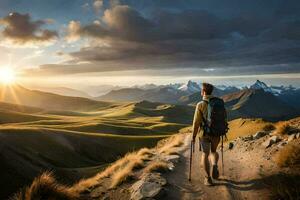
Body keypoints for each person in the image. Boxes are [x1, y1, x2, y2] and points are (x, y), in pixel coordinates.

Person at [192, 83, 221, 186]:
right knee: (213, 151)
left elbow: (196, 123)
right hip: (217, 133)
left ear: (203, 92)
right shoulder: (218, 103)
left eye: (201, 90)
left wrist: (194, 136)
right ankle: (214, 164)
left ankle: (208, 178)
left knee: (205, 154)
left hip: (204, 134)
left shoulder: (200, 104)